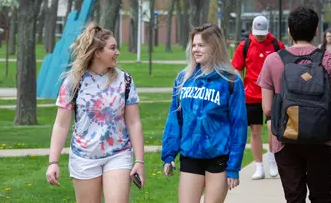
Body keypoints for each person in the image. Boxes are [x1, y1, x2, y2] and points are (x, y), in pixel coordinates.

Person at [45, 22, 145, 203]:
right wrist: (53, 162)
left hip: (118, 154)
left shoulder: (125, 80)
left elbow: (134, 122)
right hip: (84, 157)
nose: (118, 52)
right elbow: (61, 125)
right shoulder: (73, 83)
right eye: (112, 48)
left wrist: (139, 161)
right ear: (97, 53)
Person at [257, 6, 331, 203]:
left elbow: (267, 109)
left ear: (289, 31)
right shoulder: (330, 59)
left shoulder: (273, 60)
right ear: (316, 31)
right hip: (320, 139)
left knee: (294, 198)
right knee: (321, 196)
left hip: (285, 141)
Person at [161, 23, 248, 203]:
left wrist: (233, 166)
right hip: (190, 155)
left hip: (218, 158)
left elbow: (238, 125)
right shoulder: (184, 79)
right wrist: (169, 154)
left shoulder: (230, 81)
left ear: (214, 47)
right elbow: (175, 119)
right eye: (194, 45)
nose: (195, 50)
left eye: (201, 45)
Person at [231, 16, 285, 180]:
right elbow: (237, 69)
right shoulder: (244, 46)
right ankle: (259, 166)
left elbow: (285, 66)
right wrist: (237, 89)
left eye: (262, 33)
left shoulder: (276, 45)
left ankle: (272, 159)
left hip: (272, 93)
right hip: (251, 94)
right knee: (255, 131)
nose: (260, 37)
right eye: (257, 34)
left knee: (273, 130)